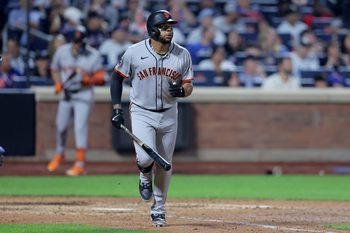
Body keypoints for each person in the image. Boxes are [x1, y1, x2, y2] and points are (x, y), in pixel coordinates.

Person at [110, 10, 193, 227]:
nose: (169, 30)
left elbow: (189, 84)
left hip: (169, 114)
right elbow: (117, 78)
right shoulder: (134, 52)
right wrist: (117, 108)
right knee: (146, 159)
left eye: (170, 27)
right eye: (165, 27)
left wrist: (183, 92)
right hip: (142, 112)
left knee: (165, 163)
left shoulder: (182, 54)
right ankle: (144, 176)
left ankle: (158, 209)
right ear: (153, 30)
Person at [47, 25, 105, 176]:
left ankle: (80, 164)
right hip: (67, 94)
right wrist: (57, 83)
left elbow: (101, 77)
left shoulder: (93, 54)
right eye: (75, 41)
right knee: (61, 126)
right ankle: (60, 153)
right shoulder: (62, 51)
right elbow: (54, 69)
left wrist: (89, 79)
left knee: (80, 128)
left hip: (83, 95)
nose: (77, 44)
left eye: (79, 41)